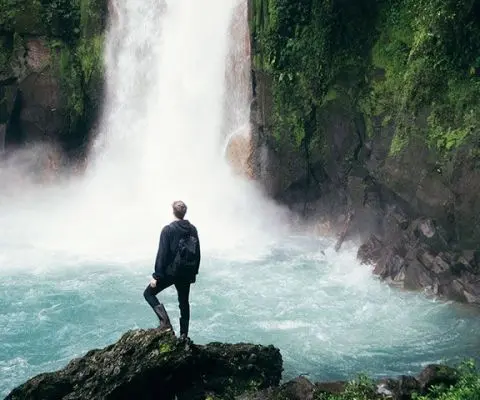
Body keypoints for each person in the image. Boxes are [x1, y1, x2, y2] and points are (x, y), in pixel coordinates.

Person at [143, 200, 201, 339]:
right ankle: (184, 335)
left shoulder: (168, 230)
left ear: (173, 212)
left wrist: (156, 276)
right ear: (184, 213)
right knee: (184, 302)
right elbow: (198, 253)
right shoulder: (192, 229)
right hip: (186, 272)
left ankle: (165, 323)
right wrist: (194, 273)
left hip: (171, 272)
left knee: (148, 294)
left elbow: (162, 254)